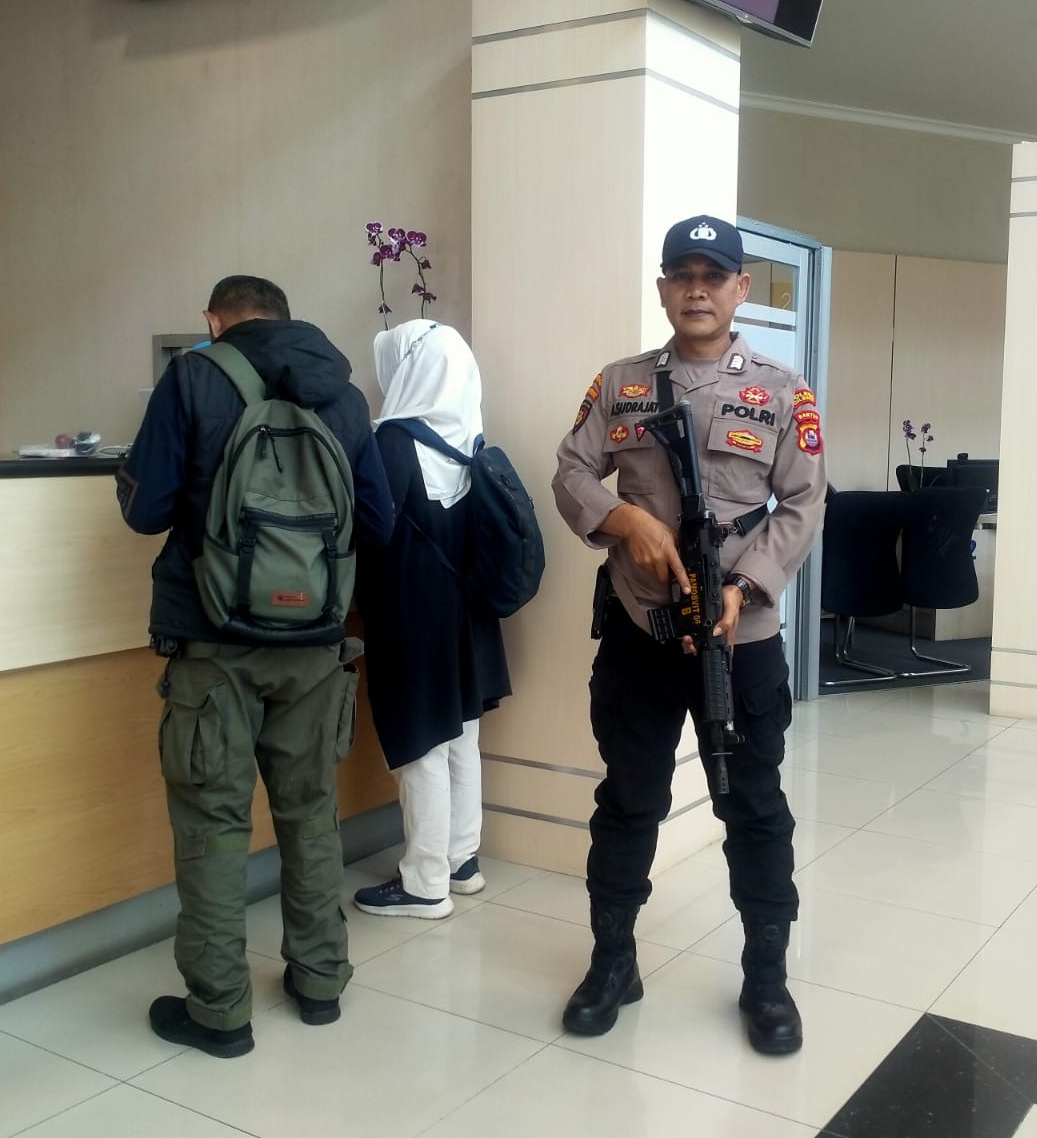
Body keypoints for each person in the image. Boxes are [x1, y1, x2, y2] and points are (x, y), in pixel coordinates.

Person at [550, 215, 827, 1055]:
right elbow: (571, 469)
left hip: (739, 639)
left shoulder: (783, 391)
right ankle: (613, 961)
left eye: (714, 276)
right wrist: (623, 518)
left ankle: (766, 976)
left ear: (742, 290)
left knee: (754, 804)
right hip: (640, 627)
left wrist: (746, 585)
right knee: (629, 797)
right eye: (683, 275)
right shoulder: (621, 383)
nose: (697, 290)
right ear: (663, 287)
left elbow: (805, 502)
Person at [116, 275, 393, 1058]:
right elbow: (376, 521)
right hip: (315, 645)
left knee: (213, 823)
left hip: (212, 643)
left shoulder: (191, 379)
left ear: (215, 320)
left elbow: (144, 510)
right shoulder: (343, 394)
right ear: (286, 317)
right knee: (310, 811)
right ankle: (320, 983)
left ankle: (219, 1012)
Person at [351, 319, 512, 919]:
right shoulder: (471, 433)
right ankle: (461, 860)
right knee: (462, 735)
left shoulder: (393, 441)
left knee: (421, 742)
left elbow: (373, 532)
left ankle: (423, 882)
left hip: (413, 615)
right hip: (469, 615)